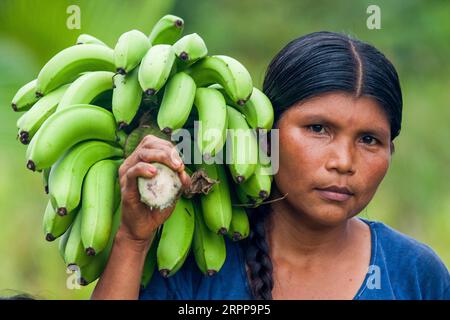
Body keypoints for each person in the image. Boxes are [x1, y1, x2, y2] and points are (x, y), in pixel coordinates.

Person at [91, 31, 450, 300]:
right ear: (265, 135)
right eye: (318, 129)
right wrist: (133, 240)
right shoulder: (197, 264)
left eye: (370, 139)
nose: (343, 162)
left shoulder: (414, 274)